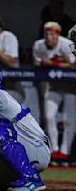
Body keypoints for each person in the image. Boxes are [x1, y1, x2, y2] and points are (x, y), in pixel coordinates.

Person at [33, 21, 75, 161]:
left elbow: (73, 64)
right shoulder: (39, 45)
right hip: (53, 86)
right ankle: (54, 150)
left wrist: (53, 63)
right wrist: (61, 61)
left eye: (51, 34)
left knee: (69, 119)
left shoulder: (65, 43)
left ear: (57, 35)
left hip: (70, 87)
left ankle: (65, 151)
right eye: (46, 34)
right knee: (49, 116)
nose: (48, 37)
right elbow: (37, 63)